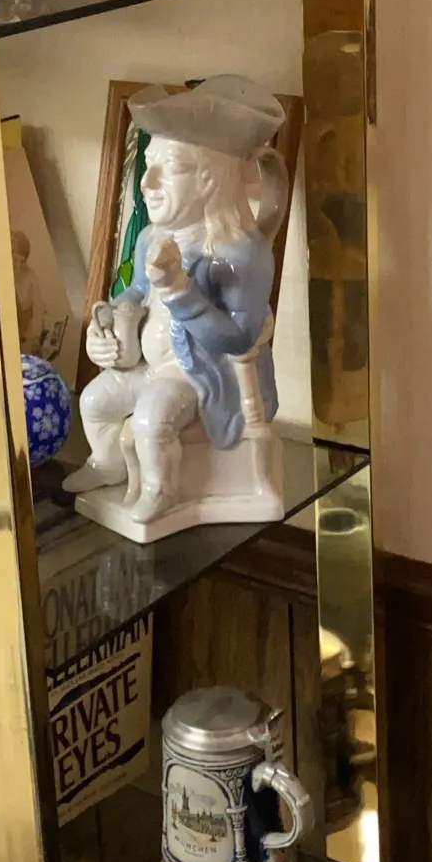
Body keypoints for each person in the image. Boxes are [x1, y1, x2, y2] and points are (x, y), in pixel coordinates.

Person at [66, 76, 286, 528]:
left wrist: (180, 293)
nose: (147, 183)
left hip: (201, 373)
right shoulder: (152, 237)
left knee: (151, 422)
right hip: (150, 366)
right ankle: (108, 464)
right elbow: (135, 292)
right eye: (148, 164)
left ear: (210, 179)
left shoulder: (240, 254)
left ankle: (160, 490)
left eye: (168, 168)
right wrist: (108, 320)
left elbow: (238, 337)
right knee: (93, 401)